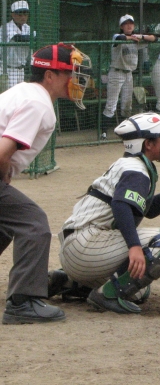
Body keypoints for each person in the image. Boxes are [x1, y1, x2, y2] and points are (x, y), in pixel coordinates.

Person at [49, 112, 160, 314]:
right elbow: (120, 205)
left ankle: (69, 281)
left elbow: (149, 209)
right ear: (148, 143)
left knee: (137, 290)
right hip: (87, 245)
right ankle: (105, 296)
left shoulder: (130, 165)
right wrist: (134, 247)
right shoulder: (136, 170)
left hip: (79, 250)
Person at [0, 42, 91, 324]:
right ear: (49, 76)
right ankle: (23, 302)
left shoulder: (23, 92)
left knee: (6, 222)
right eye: (68, 73)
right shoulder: (38, 103)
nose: (75, 79)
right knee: (33, 223)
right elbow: (2, 152)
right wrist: (4, 174)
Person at [101, 15, 156, 140]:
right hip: (116, 73)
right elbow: (120, 38)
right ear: (121, 26)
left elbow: (154, 39)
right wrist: (132, 37)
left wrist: (140, 36)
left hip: (129, 74)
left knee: (127, 104)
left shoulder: (136, 40)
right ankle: (103, 133)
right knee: (111, 104)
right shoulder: (117, 36)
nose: (129, 25)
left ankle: (124, 132)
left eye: (131, 23)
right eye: (126, 24)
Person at [0, 0, 32, 88]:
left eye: (25, 14)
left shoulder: (27, 28)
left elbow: (38, 36)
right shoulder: (6, 27)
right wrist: (31, 38)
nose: (23, 17)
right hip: (8, 69)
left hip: (21, 70)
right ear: (13, 15)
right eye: (20, 14)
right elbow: (18, 38)